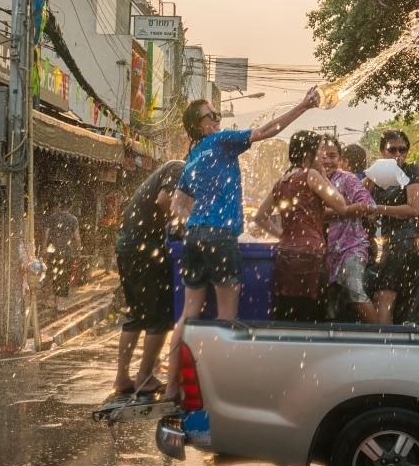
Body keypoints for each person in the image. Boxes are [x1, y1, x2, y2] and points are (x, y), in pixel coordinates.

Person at [164, 88, 321, 402]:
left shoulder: (192, 157)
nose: (219, 120)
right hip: (221, 238)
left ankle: (171, 387)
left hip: (195, 238)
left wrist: (200, 215)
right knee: (227, 319)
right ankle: (223, 393)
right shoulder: (221, 142)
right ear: (201, 124)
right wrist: (303, 106)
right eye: (213, 116)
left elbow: (177, 207)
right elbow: (267, 131)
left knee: (188, 314)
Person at [254, 131, 346, 321]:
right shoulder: (310, 175)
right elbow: (340, 204)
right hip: (311, 255)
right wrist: (322, 174)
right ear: (307, 154)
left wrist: (283, 235)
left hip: (285, 253)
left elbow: (260, 217)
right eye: (320, 150)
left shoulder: (282, 181)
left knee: (289, 310)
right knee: (312, 312)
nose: (323, 156)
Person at [111, 159, 185, 397]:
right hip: (144, 247)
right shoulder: (179, 168)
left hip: (131, 245)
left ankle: (122, 377)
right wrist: (181, 223)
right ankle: (145, 377)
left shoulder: (173, 169)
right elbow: (165, 200)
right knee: (160, 316)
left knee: (137, 314)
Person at [364, 130, 419, 325]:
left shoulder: (411, 170)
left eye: (403, 149)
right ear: (383, 151)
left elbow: (413, 209)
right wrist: (372, 177)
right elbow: (358, 200)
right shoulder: (379, 174)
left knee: (384, 299)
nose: (398, 154)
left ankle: (385, 346)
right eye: (392, 150)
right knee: (380, 299)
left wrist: (378, 208)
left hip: (404, 243)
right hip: (388, 244)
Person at [321, 137, 376, 321]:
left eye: (332, 155)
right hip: (325, 255)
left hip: (351, 248)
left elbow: (368, 205)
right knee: (329, 308)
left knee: (355, 293)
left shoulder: (347, 179)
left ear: (340, 159)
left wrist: (337, 211)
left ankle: (384, 340)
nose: (327, 160)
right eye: (322, 155)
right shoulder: (310, 180)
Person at [43, 198, 82, 304]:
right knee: (63, 277)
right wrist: (79, 251)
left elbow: (46, 235)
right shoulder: (73, 219)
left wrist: (44, 250)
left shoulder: (52, 217)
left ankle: (46, 301)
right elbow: (77, 237)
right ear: (70, 207)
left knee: (50, 275)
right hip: (66, 253)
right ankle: (59, 303)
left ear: (59, 205)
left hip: (52, 251)